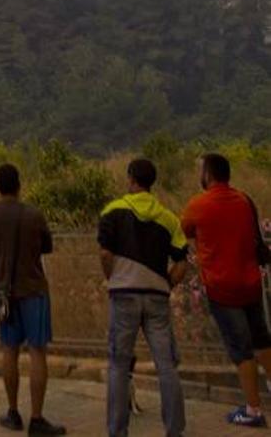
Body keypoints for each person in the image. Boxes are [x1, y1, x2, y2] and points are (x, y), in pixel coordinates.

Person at [98, 158, 189, 437]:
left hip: (123, 294)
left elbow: (104, 253)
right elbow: (182, 262)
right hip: (157, 297)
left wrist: (112, 277)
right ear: (152, 182)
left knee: (119, 365)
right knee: (167, 366)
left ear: (130, 179)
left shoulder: (112, 211)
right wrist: (168, 283)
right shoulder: (168, 217)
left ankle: (117, 431)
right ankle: (175, 430)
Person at [182, 153, 271, 428]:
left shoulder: (198, 204)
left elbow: (187, 230)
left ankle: (253, 410)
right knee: (262, 339)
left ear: (208, 174)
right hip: (251, 283)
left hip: (222, 287)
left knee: (240, 350)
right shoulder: (244, 200)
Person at [0, 164, 66, 435]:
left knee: (9, 350)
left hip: (4, 293)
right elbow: (47, 247)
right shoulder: (34, 215)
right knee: (37, 352)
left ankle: (13, 411)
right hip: (33, 291)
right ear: (19, 184)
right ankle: (37, 418)